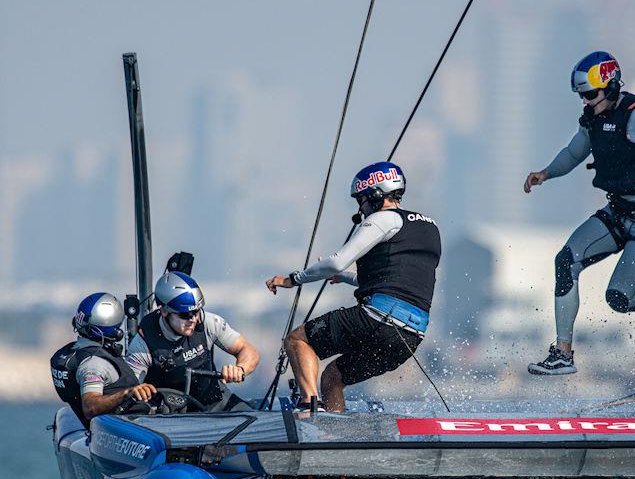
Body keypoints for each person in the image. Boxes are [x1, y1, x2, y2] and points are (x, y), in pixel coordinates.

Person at [524, 51, 635, 375]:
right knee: (565, 260)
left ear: (610, 86)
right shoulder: (592, 119)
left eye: (591, 94)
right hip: (616, 212)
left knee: (620, 299)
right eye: (581, 96)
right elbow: (574, 152)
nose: (586, 102)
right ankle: (563, 354)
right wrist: (546, 173)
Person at [266, 161, 441, 412]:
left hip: (378, 319)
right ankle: (335, 435)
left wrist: (293, 279)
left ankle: (309, 408)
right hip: (410, 336)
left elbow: (336, 262)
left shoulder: (384, 219)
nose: (361, 208)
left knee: (297, 340)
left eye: (362, 200)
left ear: (375, 195)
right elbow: (392, 280)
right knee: (333, 378)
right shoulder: (429, 227)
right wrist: (345, 278)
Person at [125, 271, 260, 411]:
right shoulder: (142, 344)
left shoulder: (209, 322)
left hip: (213, 401)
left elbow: (248, 350)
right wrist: (138, 390)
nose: (193, 319)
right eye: (185, 315)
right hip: (168, 415)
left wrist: (240, 369)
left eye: (196, 312)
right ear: (164, 311)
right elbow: (128, 390)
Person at [50, 293, 156, 428]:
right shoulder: (94, 364)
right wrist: (127, 393)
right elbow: (90, 408)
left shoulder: (75, 353)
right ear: (115, 331)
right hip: (122, 432)